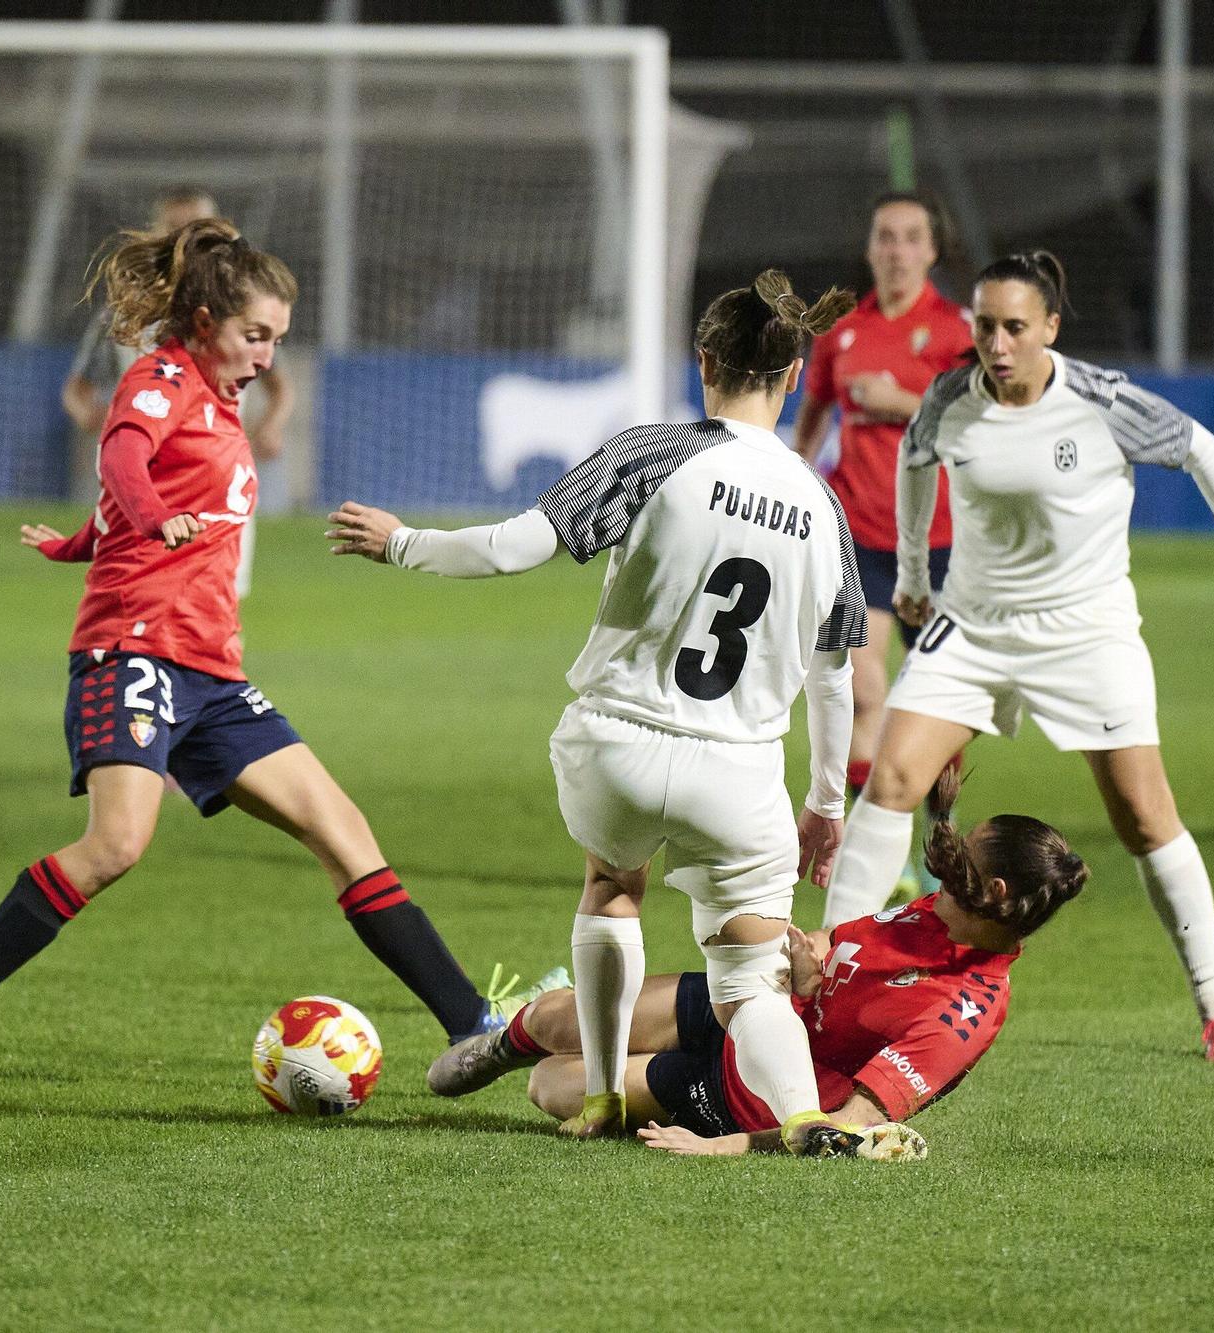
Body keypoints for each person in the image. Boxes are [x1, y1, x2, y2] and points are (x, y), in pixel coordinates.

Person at [0, 218, 532, 1077]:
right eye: (255, 334)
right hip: (133, 653)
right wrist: (148, 522)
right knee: (116, 845)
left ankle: (471, 1023)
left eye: (278, 339)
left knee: (343, 828)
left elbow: (148, 497)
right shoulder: (160, 380)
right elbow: (123, 460)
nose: (268, 355)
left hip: (211, 671)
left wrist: (82, 542)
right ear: (204, 323)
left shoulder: (221, 401)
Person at [329, 271, 873, 1157]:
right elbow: (835, 674)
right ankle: (807, 1120)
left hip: (616, 746)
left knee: (613, 889)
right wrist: (825, 803)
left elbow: (514, 546)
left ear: (703, 360)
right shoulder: (822, 506)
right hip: (740, 771)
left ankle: (605, 1092)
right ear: (796, 374)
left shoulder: (655, 452)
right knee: (749, 982)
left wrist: (402, 542)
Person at [817, 250, 1214, 1063]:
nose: (996, 342)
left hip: (1085, 631)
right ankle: (825, 975)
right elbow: (916, 461)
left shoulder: (1099, 400)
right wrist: (917, 573)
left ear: (1050, 328)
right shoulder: (953, 395)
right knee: (890, 779)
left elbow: (1201, 448)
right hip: (976, 626)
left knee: (1142, 816)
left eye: (1014, 328)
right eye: (985, 325)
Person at [433, 768, 1086, 1160]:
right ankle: (494, 1045)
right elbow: (844, 956)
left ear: (996, 896)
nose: (947, 863)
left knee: (551, 1086)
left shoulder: (960, 1014)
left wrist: (722, 1147)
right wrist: (810, 967)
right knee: (551, 1018)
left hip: (745, 1096)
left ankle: (533, 1058)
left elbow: (852, 1126)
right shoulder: (941, 914)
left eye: (968, 855)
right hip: (757, 1002)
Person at [792, 192, 972, 894]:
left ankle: (941, 847)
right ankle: (872, 849)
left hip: (943, 541)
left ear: (931, 251)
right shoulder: (840, 333)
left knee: (943, 706)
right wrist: (795, 472)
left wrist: (901, 400)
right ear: (870, 249)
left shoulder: (958, 331)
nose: (896, 249)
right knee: (866, 693)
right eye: (884, 236)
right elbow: (810, 417)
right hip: (860, 534)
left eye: (909, 238)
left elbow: (976, 424)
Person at [61, 185, 294, 597]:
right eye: (175, 230)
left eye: (196, 230)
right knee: (139, 597)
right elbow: (79, 389)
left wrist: (271, 426)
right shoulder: (125, 314)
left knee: (213, 605)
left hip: (217, 474)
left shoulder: (242, 313)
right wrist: (99, 420)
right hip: (146, 475)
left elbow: (279, 386)